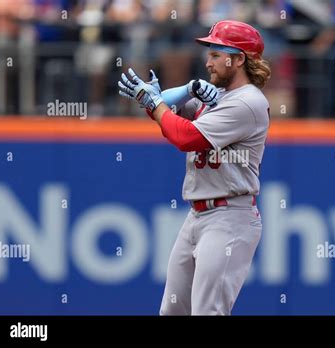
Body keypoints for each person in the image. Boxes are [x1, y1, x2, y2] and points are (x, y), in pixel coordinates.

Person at [118, 20, 271, 315]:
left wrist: (154, 103)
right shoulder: (221, 95)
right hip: (198, 215)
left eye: (216, 54)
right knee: (173, 312)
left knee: (207, 312)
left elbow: (185, 136)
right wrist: (183, 92)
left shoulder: (248, 102)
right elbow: (165, 112)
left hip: (229, 217)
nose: (208, 61)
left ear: (238, 59)